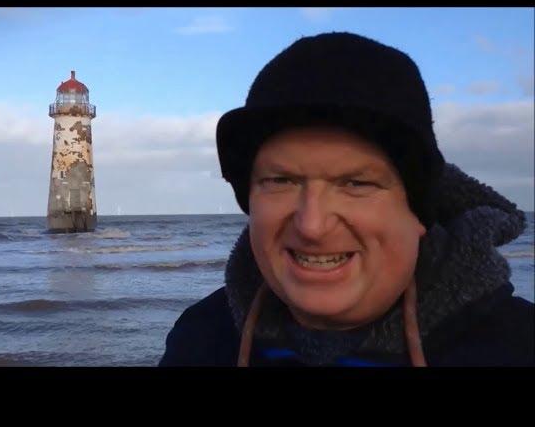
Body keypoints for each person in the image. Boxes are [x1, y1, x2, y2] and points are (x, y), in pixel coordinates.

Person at [158, 32, 534, 366]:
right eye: (281, 180)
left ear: (418, 210)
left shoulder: (517, 347)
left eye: (356, 183)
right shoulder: (201, 339)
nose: (312, 225)